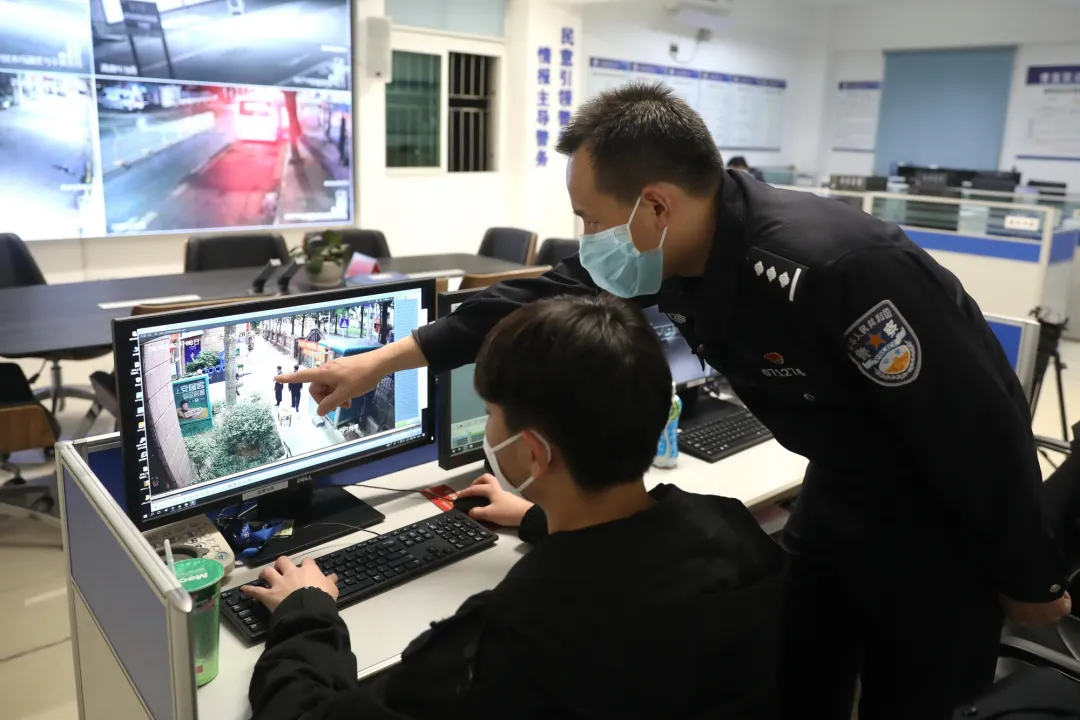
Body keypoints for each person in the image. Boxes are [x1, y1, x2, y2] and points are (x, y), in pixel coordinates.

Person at [276, 82, 1070, 720]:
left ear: (654, 205)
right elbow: (535, 295)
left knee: (912, 698)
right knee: (799, 680)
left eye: (589, 219)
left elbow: (976, 423)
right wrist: (383, 361)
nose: (585, 237)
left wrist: (1027, 575)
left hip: (935, 524)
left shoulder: (833, 269)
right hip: (840, 487)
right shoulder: (676, 251)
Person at [249, 296, 785, 720]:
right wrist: (535, 515)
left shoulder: (512, 636)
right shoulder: (731, 528)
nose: (487, 428)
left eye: (491, 414)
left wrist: (306, 613)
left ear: (533, 453)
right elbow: (632, 560)